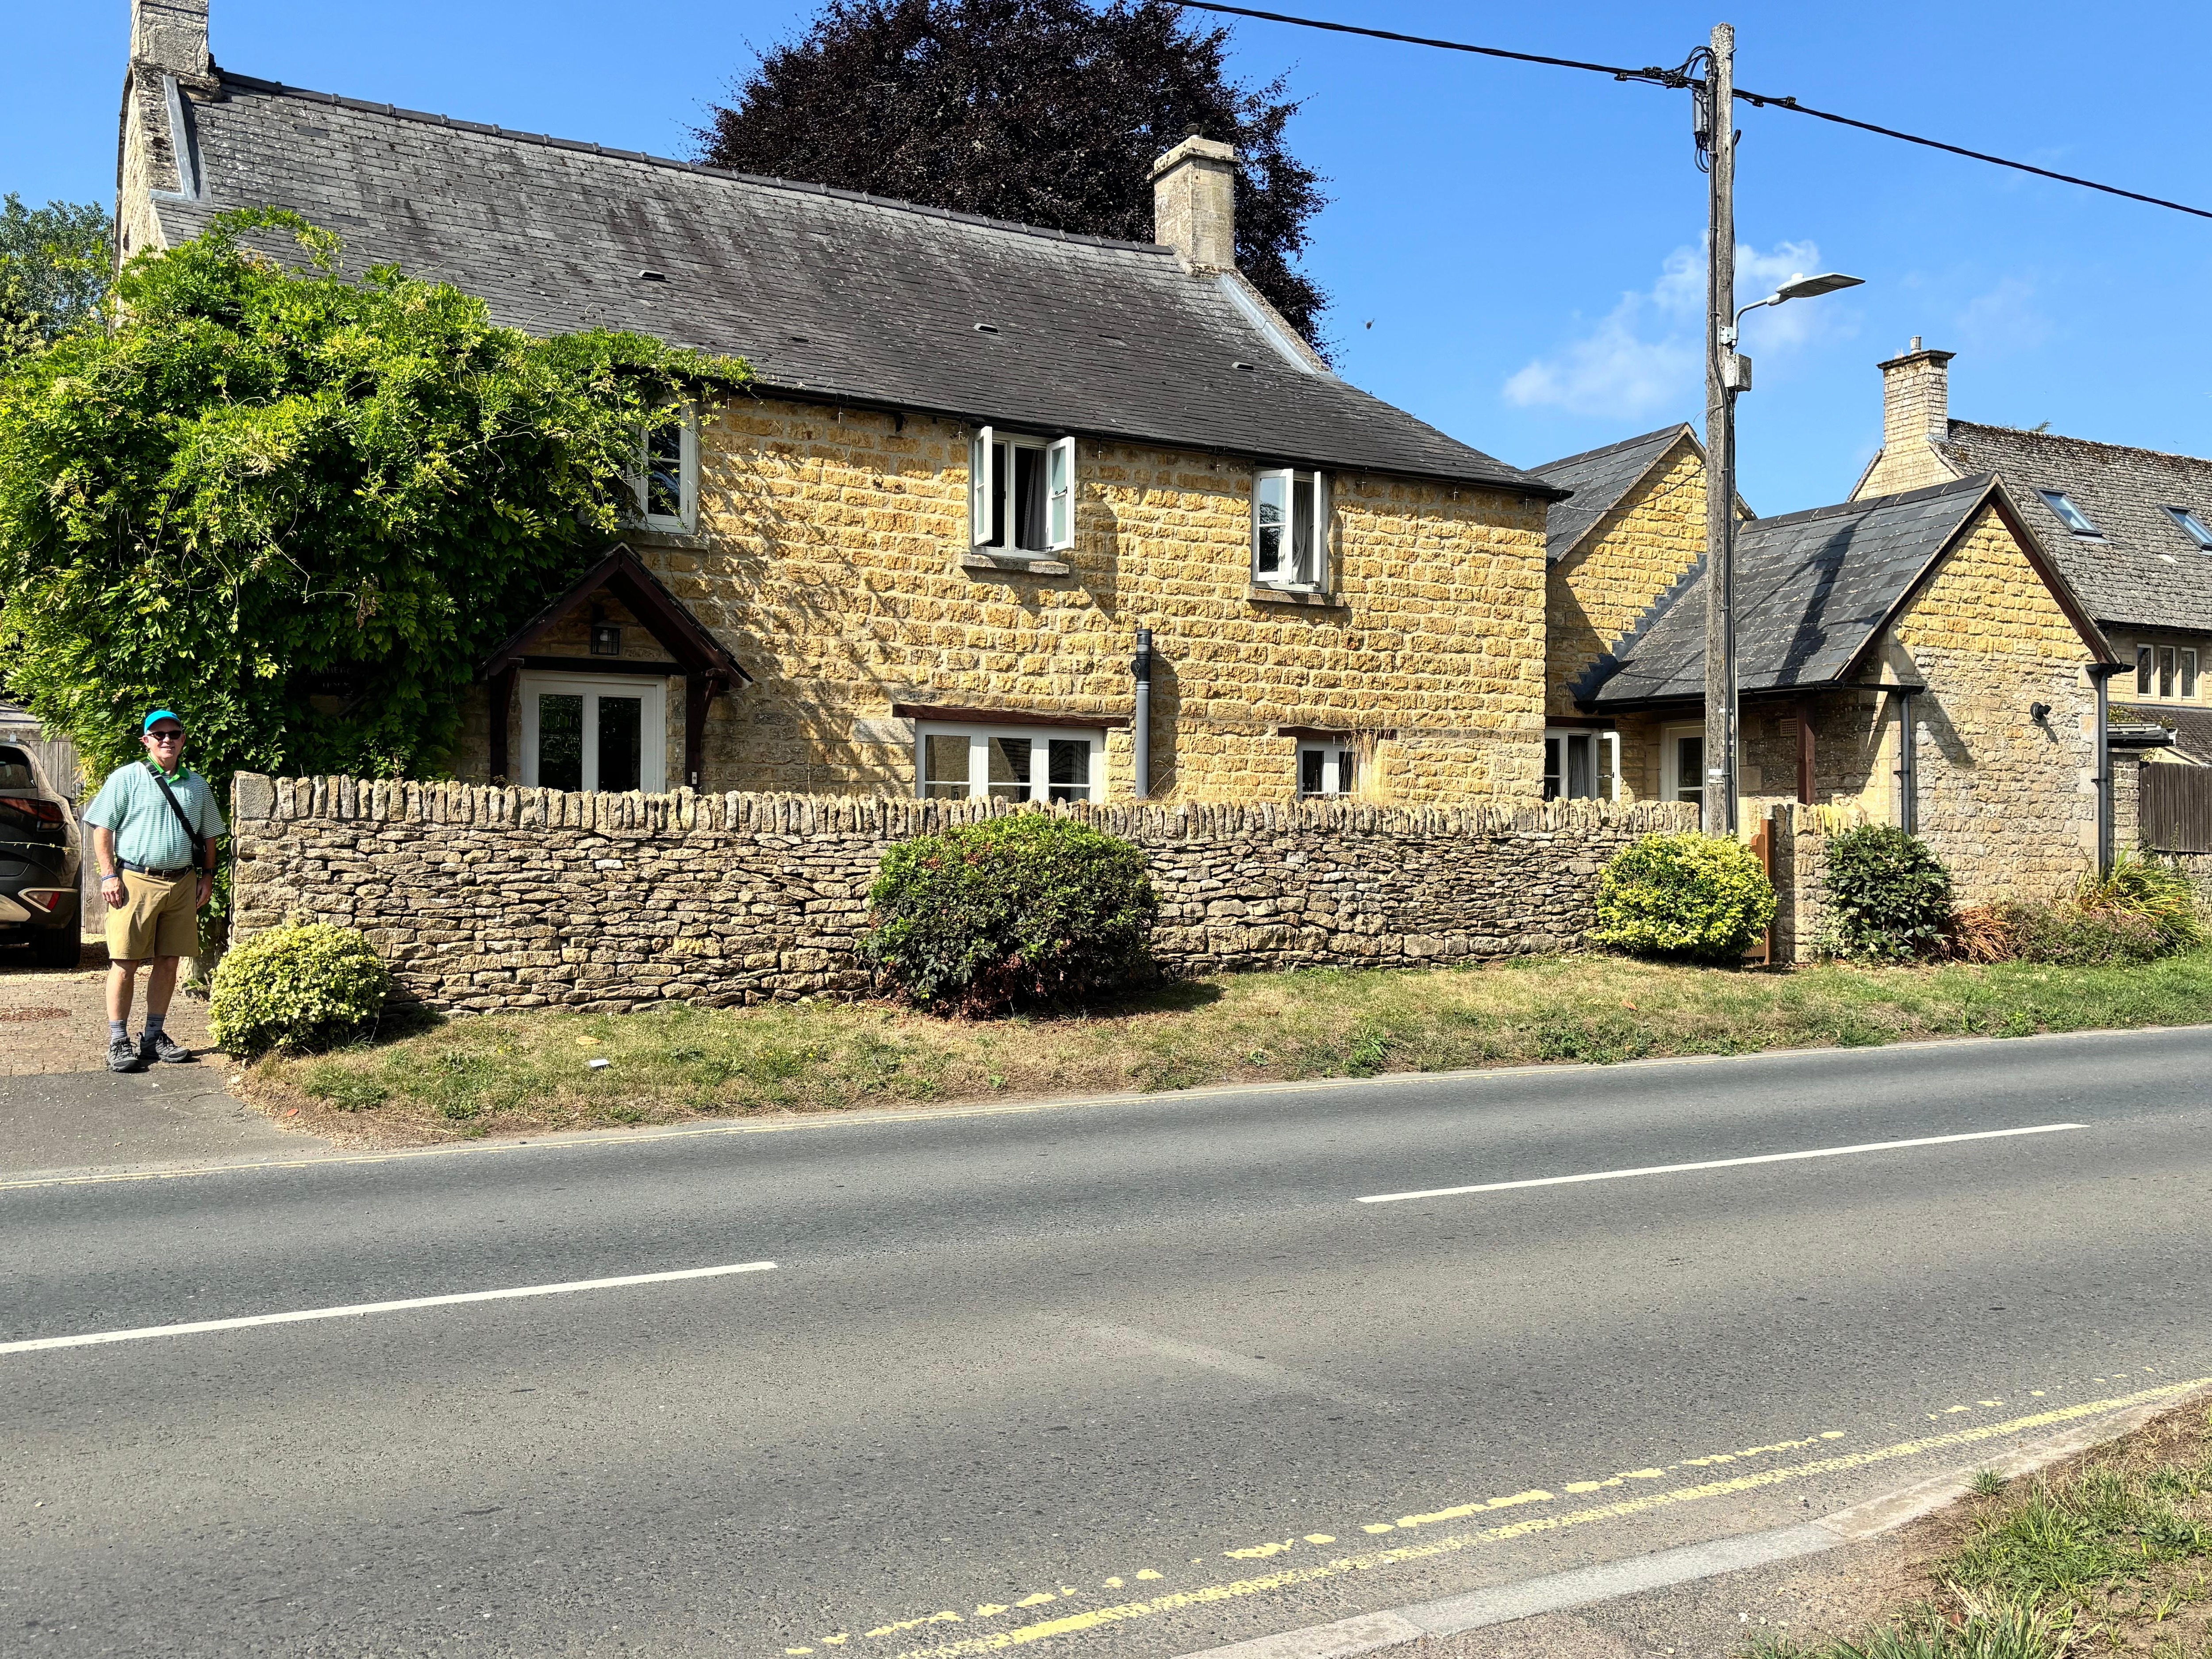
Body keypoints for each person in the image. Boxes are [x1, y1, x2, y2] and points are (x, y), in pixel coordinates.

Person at [82, 710, 226, 1074]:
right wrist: (108, 876)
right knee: (125, 962)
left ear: (183, 739)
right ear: (146, 740)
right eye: (158, 734)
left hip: (182, 883)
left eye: (173, 733)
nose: (166, 739)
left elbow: (210, 835)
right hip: (135, 881)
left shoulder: (198, 785)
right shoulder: (127, 778)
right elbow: (102, 828)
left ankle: (153, 1037)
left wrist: (207, 877)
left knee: (169, 961)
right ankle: (118, 1040)